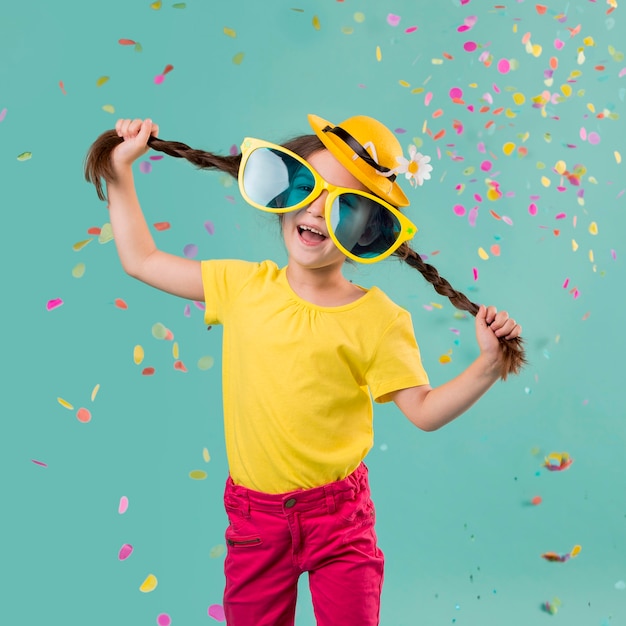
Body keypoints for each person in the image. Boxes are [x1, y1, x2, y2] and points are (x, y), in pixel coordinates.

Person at [85, 113, 524, 626]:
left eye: (346, 203)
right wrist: (119, 170)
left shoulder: (380, 320)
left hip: (340, 519)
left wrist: (488, 366)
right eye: (306, 188)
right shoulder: (243, 287)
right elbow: (141, 259)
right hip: (255, 520)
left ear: (372, 228)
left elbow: (423, 411)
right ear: (279, 192)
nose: (317, 209)